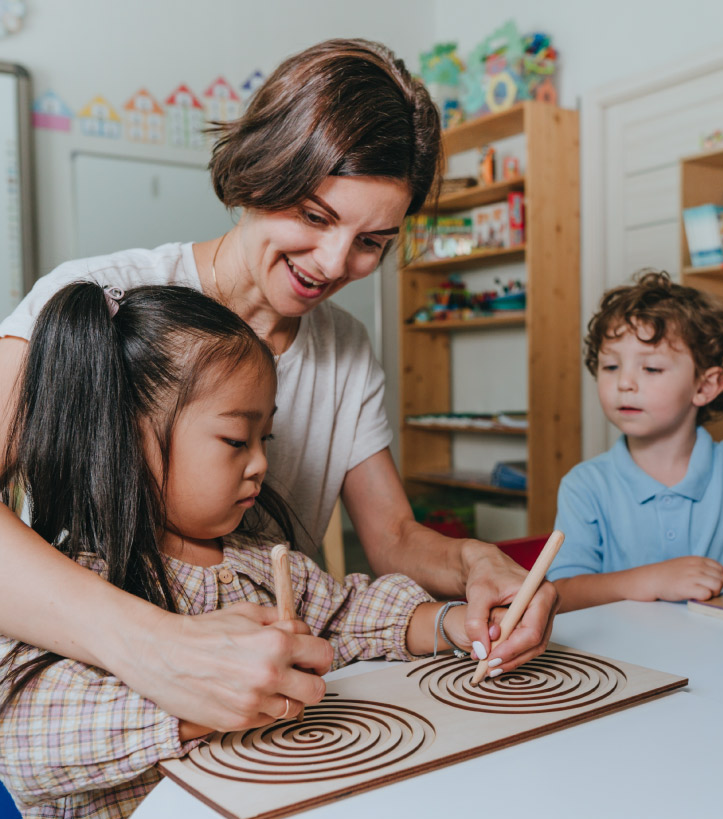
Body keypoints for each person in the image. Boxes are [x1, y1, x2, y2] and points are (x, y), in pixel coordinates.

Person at [0, 39, 557, 732]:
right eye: (316, 217)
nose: (333, 264)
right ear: (260, 172)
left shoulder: (345, 348)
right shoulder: (104, 300)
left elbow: (392, 541)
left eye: (372, 242)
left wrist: (478, 563)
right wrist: (155, 649)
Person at [0, 281, 489, 819]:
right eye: (236, 439)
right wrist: (194, 704)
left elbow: (344, 615)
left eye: (266, 438)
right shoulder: (59, 585)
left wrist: (450, 623)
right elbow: (27, 743)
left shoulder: (258, 558)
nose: (261, 463)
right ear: (126, 437)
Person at [547, 270, 723, 610]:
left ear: (705, 387)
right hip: (623, 660)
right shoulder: (585, 485)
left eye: (651, 369)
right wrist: (652, 579)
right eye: (611, 366)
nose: (625, 383)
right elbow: (560, 594)